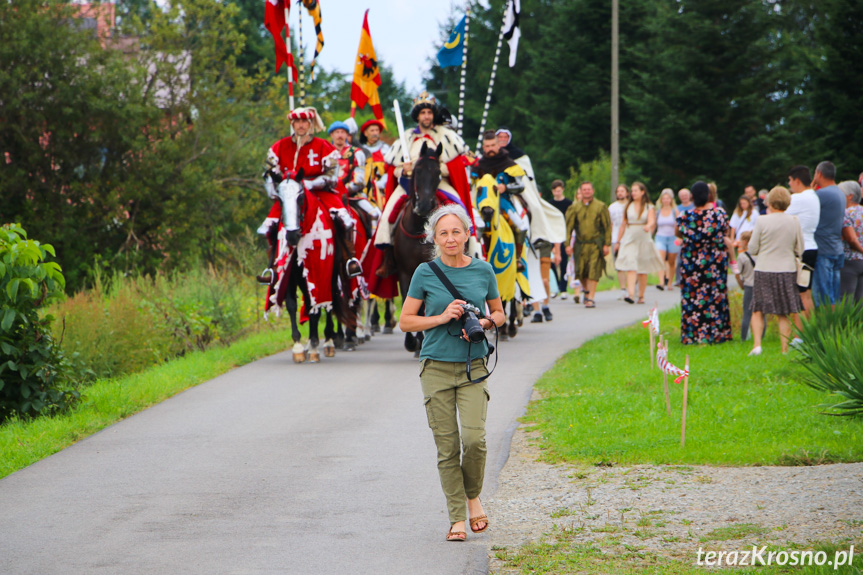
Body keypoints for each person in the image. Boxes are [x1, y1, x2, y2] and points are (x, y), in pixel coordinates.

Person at [398, 204, 505, 542]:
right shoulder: (424, 273)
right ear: (433, 237)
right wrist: (441, 318)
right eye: (443, 233)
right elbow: (406, 321)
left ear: (467, 234)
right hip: (436, 368)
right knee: (448, 449)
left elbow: (500, 313)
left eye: (456, 231)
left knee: (474, 440)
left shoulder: (483, 270)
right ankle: (458, 516)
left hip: (474, 366)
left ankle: (472, 495)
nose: (450, 238)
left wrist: (486, 321)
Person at [374, 92, 474, 277]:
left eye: (429, 112)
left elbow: (460, 163)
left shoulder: (446, 136)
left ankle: (470, 253)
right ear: (417, 116)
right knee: (388, 213)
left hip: (438, 183)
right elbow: (393, 169)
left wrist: (438, 168)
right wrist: (403, 170)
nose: (426, 116)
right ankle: (388, 259)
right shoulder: (407, 138)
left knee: (461, 209)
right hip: (409, 184)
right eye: (423, 113)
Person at [259, 107, 362, 279]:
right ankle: (271, 268)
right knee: (269, 226)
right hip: (289, 195)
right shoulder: (279, 146)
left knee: (344, 219)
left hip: (319, 191)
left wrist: (309, 184)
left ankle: (349, 259)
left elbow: (332, 175)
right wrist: (274, 191)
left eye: (304, 121)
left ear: (310, 124)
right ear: (292, 124)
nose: (300, 125)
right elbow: (269, 173)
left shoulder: (323, 146)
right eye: (297, 122)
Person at [747, 186, 804, 356]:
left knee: (758, 309)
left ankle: (757, 346)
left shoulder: (762, 221)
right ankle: (784, 349)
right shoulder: (794, 221)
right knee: (783, 311)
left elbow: (752, 248)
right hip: (787, 269)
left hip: (764, 268)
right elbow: (800, 249)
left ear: (770, 201)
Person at [676, 181, 733, 344]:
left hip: (692, 264)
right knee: (715, 296)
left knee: (692, 297)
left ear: (692, 197)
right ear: (709, 196)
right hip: (714, 262)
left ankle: (692, 334)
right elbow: (725, 232)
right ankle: (717, 333)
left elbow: (678, 233)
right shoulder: (720, 214)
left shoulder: (684, 217)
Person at [564, 181, 611, 308]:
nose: (586, 192)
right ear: (580, 191)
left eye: (589, 189)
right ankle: (586, 290)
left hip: (595, 243)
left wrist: (607, 244)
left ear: (593, 191)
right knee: (581, 271)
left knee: (594, 269)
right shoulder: (574, 208)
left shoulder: (600, 206)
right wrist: (567, 244)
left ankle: (591, 297)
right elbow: (568, 227)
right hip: (580, 243)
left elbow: (606, 226)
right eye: (584, 189)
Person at [615, 181, 663, 304]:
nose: (633, 193)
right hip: (630, 237)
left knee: (642, 268)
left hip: (643, 238)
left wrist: (648, 226)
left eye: (636, 190)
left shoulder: (649, 207)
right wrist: (618, 241)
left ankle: (641, 295)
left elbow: (652, 220)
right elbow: (623, 224)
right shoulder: (628, 206)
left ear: (642, 192)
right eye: (632, 190)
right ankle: (630, 294)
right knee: (630, 266)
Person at [328, 121, 381, 226]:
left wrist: (343, 190)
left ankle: (372, 242)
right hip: (330, 195)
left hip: (353, 195)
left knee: (374, 215)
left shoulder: (356, 153)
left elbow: (359, 181)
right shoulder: (326, 152)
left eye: (343, 132)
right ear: (331, 134)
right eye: (337, 132)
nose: (340, 135)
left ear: (347, 135)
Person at [786, 165, 819, 318]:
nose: (789, 185)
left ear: (797, 180)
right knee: (806, 293)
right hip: (812, 247)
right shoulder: (813, 195)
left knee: (799, 296)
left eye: (790, 181)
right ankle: (808, 332)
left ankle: (799, 338)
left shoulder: (798, 198)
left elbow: (779, 212)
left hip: (801, 250)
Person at [811, 161, 846, 306]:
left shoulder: (821, 194)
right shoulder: (840, 192)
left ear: (819, 173)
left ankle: (826, 327)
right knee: (834, 294)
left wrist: (810, 190)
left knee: (823, 296)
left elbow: (804, 204)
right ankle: (835, 325)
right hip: (836, 247)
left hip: (823, 249)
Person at [357, 118, 391, 211]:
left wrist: (380, 184)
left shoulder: (386, 149)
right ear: (365, 133)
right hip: (364, 190)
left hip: (383, 190)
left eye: (377, 130)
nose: (375, 133)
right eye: (372, 130)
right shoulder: (360, 151)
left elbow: (389, 171)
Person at [839, 180, 863, 301]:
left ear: (850, 196)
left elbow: (851, 239)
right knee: (860, 303)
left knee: (846, 301)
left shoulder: (845, 213)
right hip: (862, 262)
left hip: (849, 260)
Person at [548, 179, 572, 299]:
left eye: (559, 190)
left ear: (562, 189)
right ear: (552, 191)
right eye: (555, 191)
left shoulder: (569, 203)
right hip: (552, 236)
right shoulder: (549, 204)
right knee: (551, 263)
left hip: (564, 236)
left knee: (563, 263)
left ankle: (563, 288)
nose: (557, 193)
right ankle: (555, 286)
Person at [734, 231, 760, 341]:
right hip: (760, 285)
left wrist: (741, 285)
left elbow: (737, 274)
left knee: (747, 313)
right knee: (760, 312)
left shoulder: (742, 256)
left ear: (745, 242)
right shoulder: (759, 255)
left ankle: (744, 337)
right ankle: (761, 335)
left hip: (748, 285)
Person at [654, 188, 680, 291]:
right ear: (661, 200)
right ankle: (661, 282)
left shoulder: (675, 211)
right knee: (660, 259)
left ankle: (669, 282)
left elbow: (679, 225)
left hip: (673, 238)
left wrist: (679, 238)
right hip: (660, 237)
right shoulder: (658, 212)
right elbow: (654, 225)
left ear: (671, 200)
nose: (665, 200)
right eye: (664, 198)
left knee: (671, 261)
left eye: (668, 198)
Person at [609, 184, 630, 298]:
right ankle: (623, 288)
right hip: (615, 238)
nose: (620, 193)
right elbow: (610, 224)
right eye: (618, 191)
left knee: (630, 263)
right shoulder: (612, 207)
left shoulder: (631, 205)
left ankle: (632, 286)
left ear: (627, 193)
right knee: (619, 265)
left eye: (622, 191)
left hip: (629, 238)